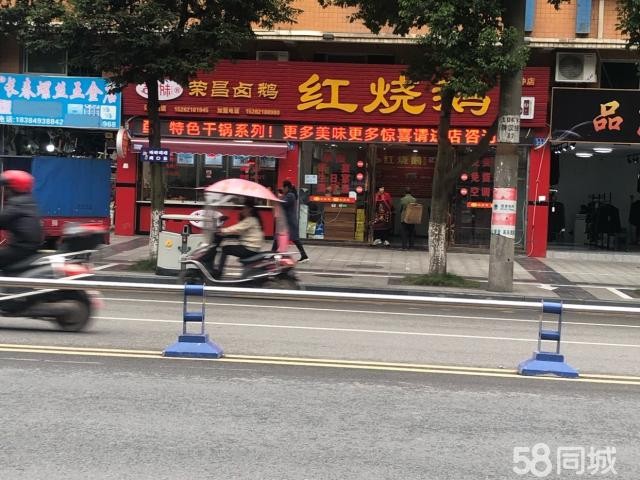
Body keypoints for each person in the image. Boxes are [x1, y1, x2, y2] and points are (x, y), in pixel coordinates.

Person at [0, 170, 43, 270]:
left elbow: (2, 219)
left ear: (12, 188)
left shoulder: (17, 204)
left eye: (6, 187)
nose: (4, 191)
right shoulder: (28, 201)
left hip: (21, 249)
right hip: (29, 248)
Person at [216, 197, 265, 277]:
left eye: (244, 208)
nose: (242, 210)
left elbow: (237, 228)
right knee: (228, 248)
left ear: (249, 209)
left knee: (225, 249)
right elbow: (238, 230)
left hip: (249, 248)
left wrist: (222, 230)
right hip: (251, 247)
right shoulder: (252, 219)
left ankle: (219, 273)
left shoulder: (250, 220)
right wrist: (224, 233)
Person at [272, 180, 309, 263]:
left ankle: (272, 255)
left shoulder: (290, 195)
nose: (282, 189)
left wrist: (277, 199)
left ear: (286, 187)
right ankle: (304, 256)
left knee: (279, 238)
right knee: (293, 240)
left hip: (288, 223)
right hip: (288, 222)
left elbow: (283, 204)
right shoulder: (289, 195)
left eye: (283, 187)